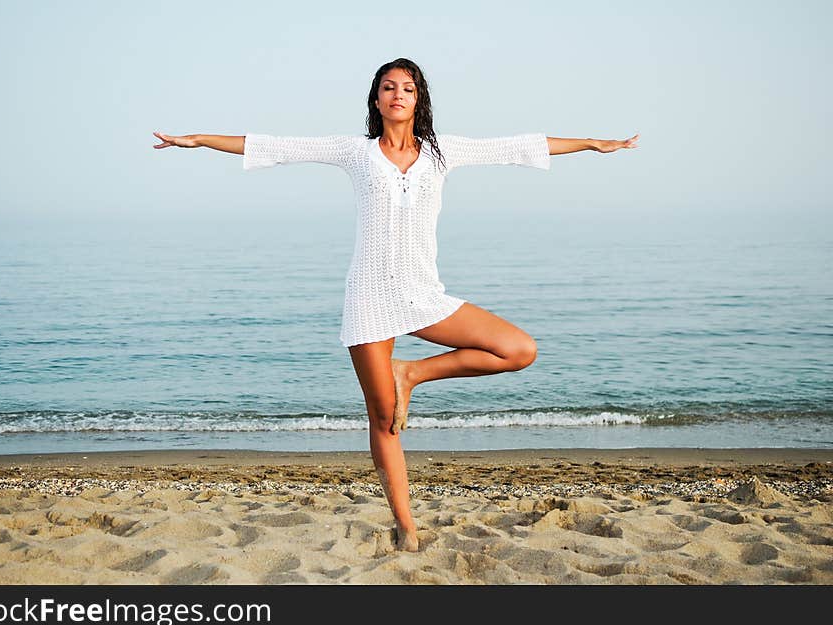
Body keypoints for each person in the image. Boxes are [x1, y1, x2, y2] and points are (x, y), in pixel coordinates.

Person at [153, 57, 638, 552]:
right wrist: (197, 140)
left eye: (407, 88)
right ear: (377, 99)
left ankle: (413, 374)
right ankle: (407, 528)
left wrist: (592, 144)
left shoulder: (443, 153)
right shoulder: (357, 153)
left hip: (424, 295)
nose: (398, 95)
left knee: (519, 349)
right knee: (384, 418)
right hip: (369, 298)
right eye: (388, 87)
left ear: (419, 98)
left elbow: (518, 147)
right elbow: (275, 146)